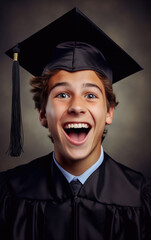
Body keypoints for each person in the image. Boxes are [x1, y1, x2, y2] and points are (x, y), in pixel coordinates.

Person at [0, 8, 151, 240]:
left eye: (90, 95)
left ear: (109, 112)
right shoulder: (9, 193)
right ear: (42, 114)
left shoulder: (140, 197)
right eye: (62, 95)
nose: (76, 106)